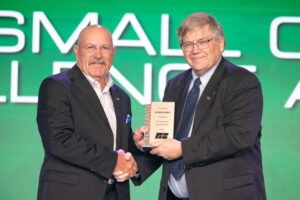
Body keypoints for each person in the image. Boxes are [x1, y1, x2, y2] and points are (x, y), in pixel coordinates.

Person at [133, 12, 267, 200]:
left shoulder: (242, 82)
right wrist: (146, 143)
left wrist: (182, 149)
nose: (195, 50)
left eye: (203, 42)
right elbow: (167, 139)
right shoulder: (175, 84)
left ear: (221, 43)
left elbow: (238, 135)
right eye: (188, 44)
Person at [36, 25, 138, 200]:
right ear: (77, 51)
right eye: (90, 47)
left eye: (104, 48)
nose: (98, 55)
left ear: (113, 52)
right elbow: (59, 141)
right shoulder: (56, 86)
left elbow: (117, 146)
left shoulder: (122, 97)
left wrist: (137, 143)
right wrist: (113, 161)